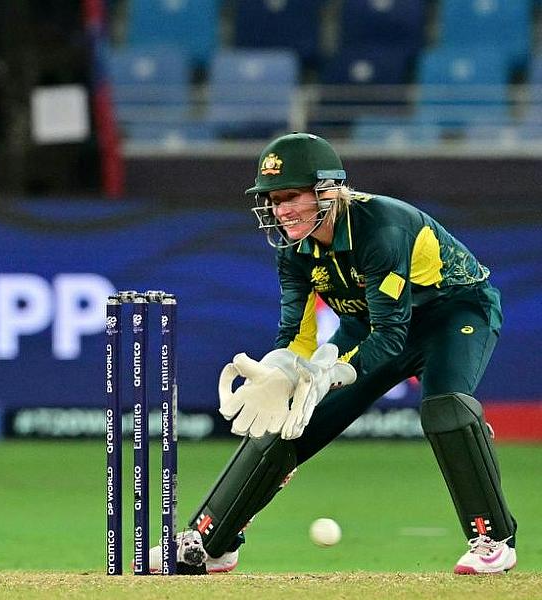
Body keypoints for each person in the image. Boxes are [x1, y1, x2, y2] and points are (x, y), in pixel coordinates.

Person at [152, 132, 517, 575]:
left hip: (454, 313)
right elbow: (297, 335)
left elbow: (390, 337)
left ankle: (492, 539)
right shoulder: (293, 247)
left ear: (327, 192)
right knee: (283, 416)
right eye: (272, 198)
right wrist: (281, 370)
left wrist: (330, 372)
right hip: (370, 325)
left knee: (446, 408)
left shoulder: (382, 228)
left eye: (291, 196)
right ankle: (211, 544)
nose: (280, 209)